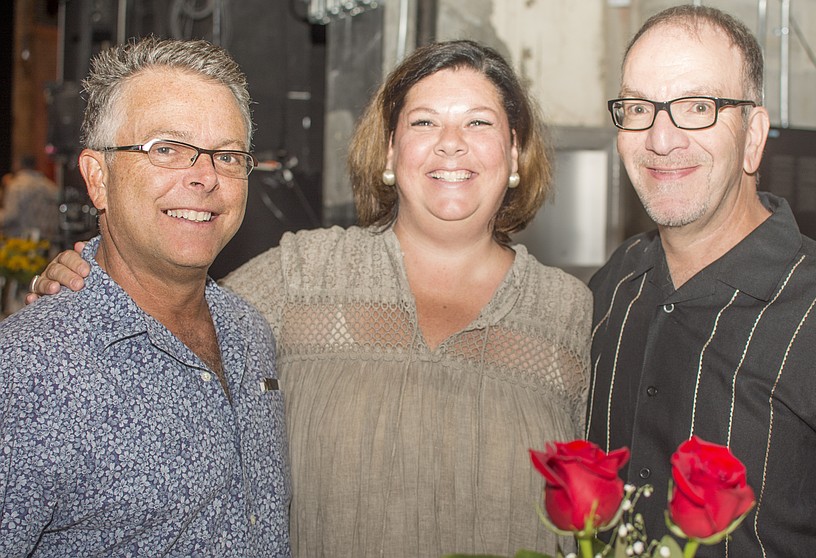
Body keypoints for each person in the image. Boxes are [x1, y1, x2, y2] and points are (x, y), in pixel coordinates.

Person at [29, 40, 592, 557]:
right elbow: (166, 303)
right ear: (391, 154)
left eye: (478, 121)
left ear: (515, 154)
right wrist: (84, 275)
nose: (451, 142)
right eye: (424, 121)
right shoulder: (303, 274)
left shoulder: (572, 312)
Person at [0, 37, 291, 557]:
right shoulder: (29, 371)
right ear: (98, 178)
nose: (204, 177)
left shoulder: (250, 333)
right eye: (167, 149)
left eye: (226, 155)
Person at [586, 5, 816, 556]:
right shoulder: (614, 286)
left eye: (696, 107)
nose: (661, 139)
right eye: (638, 107)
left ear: (753, 134)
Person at [0, 155, 59, 243]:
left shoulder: (16, 186)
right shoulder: (49, 185)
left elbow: (10, 215)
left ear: (17, 164)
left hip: (21, 242)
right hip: (47, 241)